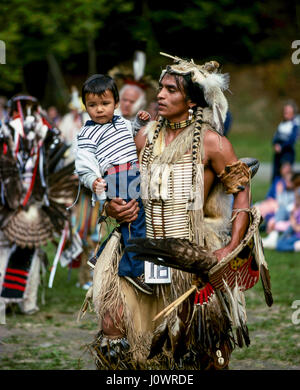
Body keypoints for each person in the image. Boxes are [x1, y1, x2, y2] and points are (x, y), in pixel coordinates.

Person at [82, 54, 271, 370]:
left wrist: (229, 248)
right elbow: (122, 180)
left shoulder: (214, 144)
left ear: (193, 101)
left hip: (192, 250)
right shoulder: (144, 136)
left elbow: (242, 194)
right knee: (115, 332)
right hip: (139, 246)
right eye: (160, 88)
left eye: (171, 90)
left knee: (201, 345)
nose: (160, 95)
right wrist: (113, 204)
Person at [75, 74, 152, 295]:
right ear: (86, 106)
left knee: (133, 221)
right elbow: (83, 163)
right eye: (92, 105)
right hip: (117, 176)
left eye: (105, 103)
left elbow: (131, 132)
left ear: (116, 104)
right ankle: (133, 269)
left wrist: (141, 122)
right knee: (135, 220)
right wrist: (93, 181)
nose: (99, 109)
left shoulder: (120, 122)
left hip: (132, 173)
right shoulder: (87, 133)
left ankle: (100, 257)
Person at [271, 100, 299, 184]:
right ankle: (274, 193)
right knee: (276, 174)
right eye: (285, 111)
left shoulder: (294, 125)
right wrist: (275, 144)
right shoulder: (282, 124)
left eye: (288, 112)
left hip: (287, 153)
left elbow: (291, 140)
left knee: (285, 174)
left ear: (293, 113)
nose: (285, 113)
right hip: (278, 154)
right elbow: (276, 136)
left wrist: (281, 147)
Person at [276, 185, 300, 252]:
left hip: (297, 236)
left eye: (296, 198)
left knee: (280, 244)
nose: (295, 200)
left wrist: (293, 221)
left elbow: (297, 228)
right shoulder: (297, 209)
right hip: (295, 234)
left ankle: (295, 247)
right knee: (280, 241)